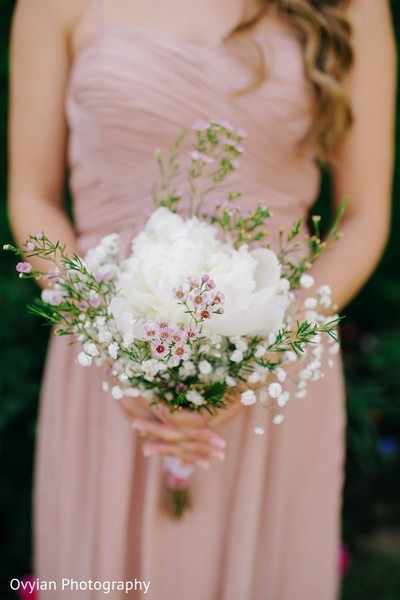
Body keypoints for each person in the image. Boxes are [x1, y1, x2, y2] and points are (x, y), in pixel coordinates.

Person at [8, 0, 395, 598]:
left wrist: (263, 354)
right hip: (110, 376)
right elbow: (32, 196)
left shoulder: (352, 6)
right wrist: (113, 343)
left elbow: (364, 215)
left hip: (274, 372)